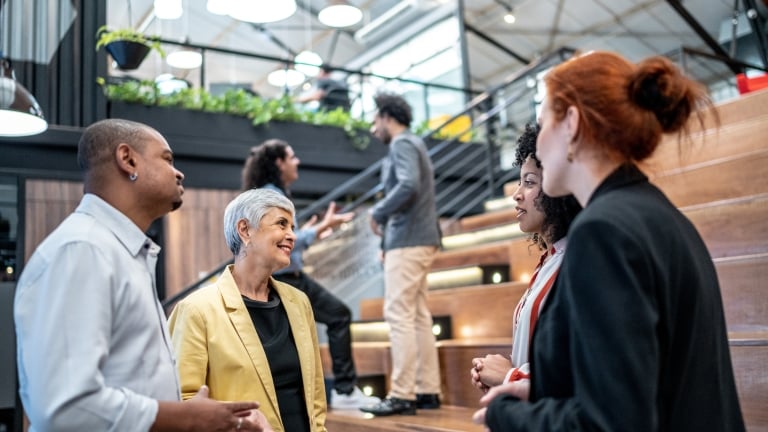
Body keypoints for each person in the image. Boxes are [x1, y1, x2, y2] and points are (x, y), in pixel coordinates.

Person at [475, 51, 745, 431]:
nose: (538, 148)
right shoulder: (651, 212)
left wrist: (508, 416)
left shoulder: (604, 231)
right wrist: (540, 392)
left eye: (544, 123)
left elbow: (613, 422)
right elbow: (640, 382)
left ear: (571, 124)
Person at [14, 118, 264, 431]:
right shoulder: (83, 249)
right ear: (127, 159)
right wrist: (187, 418)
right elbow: (65, 407)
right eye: (167, 159)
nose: (179, 172)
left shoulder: (120, 251)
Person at [168, 188, 327, 432]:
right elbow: (181, 403)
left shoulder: (299, 302)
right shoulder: (196, 310)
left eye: (293, 227)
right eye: (282, 224)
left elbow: (315, 395)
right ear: (245, 230)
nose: (292, 235)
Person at [241, 139, 380, 409]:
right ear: (279, 163)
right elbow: (278, 236)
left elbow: (283, 238)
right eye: (292, 156)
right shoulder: (272, 195)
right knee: (339, 315)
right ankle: (344, 390)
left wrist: (312, 233)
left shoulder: (271, 194)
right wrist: (317, 229)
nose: (297, 162)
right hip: (286, 278)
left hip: (285, 276)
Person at [469, 123, 580, 394]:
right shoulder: (550, 259)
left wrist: (510, 376)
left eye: (529, 182)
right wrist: (503, 375)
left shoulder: (578, 262)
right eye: (519, 182)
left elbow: (578, 371)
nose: (517, 194)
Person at [360, 93, 442, 416]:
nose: (372, 128)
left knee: (399, 313)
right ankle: (427, 390)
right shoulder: (414, 143)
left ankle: (403, 394)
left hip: (408, 239)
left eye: (374, 120)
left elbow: (408, 185)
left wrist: (377, 212)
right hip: (420, 237)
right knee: (419, 315)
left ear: (385, 116)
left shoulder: (402, 144)